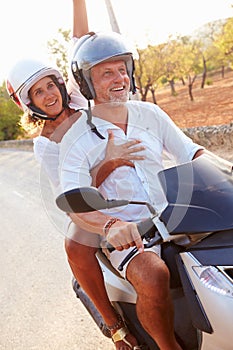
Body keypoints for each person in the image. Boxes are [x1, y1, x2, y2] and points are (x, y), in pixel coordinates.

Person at [6, 2, 142, 349]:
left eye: (51, 85)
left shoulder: (81, 99)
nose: (50, 94)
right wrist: (107, 164)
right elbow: (72, 196)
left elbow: (79, 37)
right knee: (75, 243)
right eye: (39, 92)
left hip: (133, 176)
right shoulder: (45, 145)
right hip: (95, 198)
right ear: (29, 102)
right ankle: (115, 328)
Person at [58, 31, 205, 350]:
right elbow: (73, 199)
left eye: (123, 69)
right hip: (131, 234)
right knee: (152, 275)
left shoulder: (150, 114)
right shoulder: (77, 136)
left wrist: (224, 170)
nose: (119, 78)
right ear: (86, 83)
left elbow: (191, 152)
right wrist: (111, 226)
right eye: (107, 72)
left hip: (176, 218)